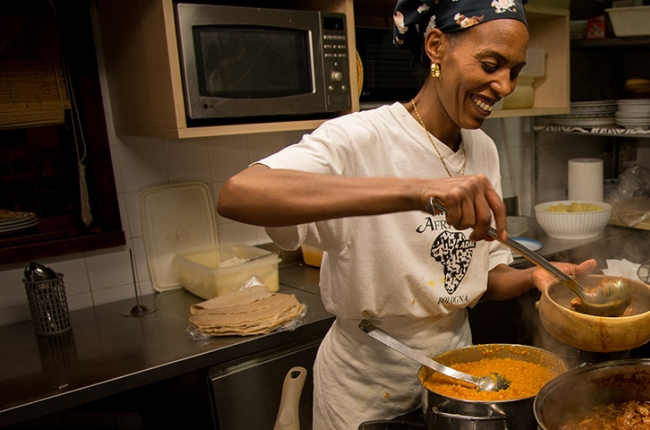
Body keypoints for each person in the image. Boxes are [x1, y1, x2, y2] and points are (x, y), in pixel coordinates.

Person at [217, 0, 596, 428]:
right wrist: (416, 191)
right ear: (436, 46)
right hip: (363, 392)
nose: (505, 86)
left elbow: (477, 277)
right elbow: (239, 193)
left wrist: (532, 277)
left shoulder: (482, 148)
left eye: (515, 71)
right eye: (491, 65)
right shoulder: (359, 138)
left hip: (457, 379)